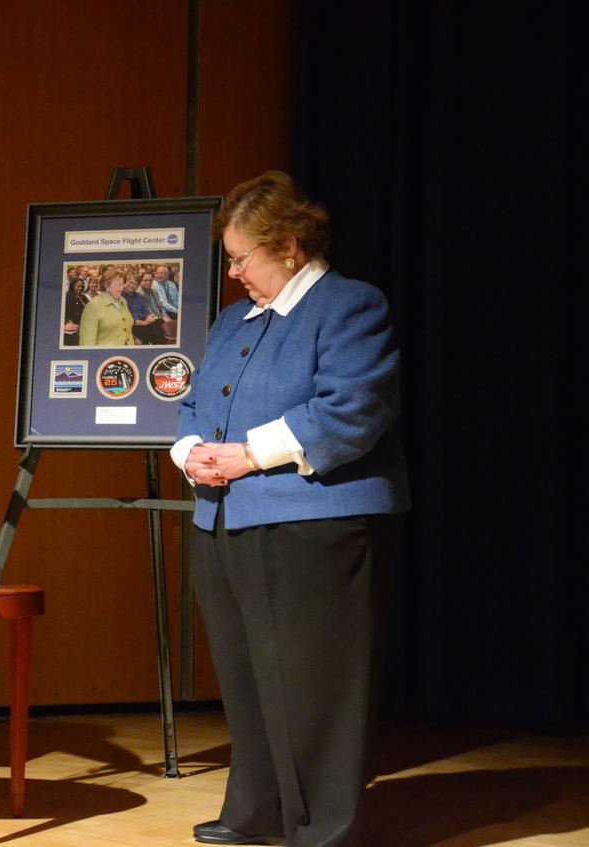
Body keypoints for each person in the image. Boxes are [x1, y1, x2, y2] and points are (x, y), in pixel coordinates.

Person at [170, 170, 409, 847]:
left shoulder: (348, 306)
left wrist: (249, 453)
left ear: (292, 245)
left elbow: (353, 408)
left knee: (314, 687)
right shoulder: (232, 320)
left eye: (243, 256)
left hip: (316, 522)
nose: (234, 270)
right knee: (246, 677)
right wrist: (190, 450)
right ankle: (256, 810)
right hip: (223, 519)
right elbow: (192, 408)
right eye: (230, 258)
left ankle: (322, 830)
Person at [77, 270, 133, 346]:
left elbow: (127, 330)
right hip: (105, 356)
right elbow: (86, 342)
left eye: (122, 284)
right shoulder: (93, 306)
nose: (122, 288)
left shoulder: (123, 301)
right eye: (117, 285)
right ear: (106, 286)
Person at [124, 273, 165, 345]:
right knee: (154, 332)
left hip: (144, 322)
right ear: (126, 282)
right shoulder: (121, 297)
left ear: (138, 286)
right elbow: (126, 318)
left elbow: (145, 310)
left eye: (135, 284)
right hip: (133, 325)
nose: (132, 286)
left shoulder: (138, 296)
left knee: (160, 322)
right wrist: (144, 322)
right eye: (130, 282)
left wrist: (149, 316)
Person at [62, 276, 89, 345]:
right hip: (72, 328)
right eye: (78, 286)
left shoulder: (84, 297)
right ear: (72, 286)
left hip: (84, 327)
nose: (80, 288)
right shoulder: (67, 297)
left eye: (82, 287)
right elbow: (63, 313)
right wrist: (67, 323)